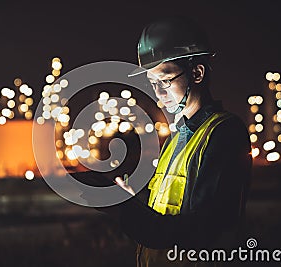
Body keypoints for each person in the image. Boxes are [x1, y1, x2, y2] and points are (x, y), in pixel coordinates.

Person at [98, 16, 252, 266]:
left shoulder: (225, 134)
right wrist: (134, 200)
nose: (159, 93)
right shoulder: (176, 137)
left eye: (166, 80)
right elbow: (167, 208)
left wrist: (126, 212)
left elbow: (203, 229)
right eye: (152, 83)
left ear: (197, 73)